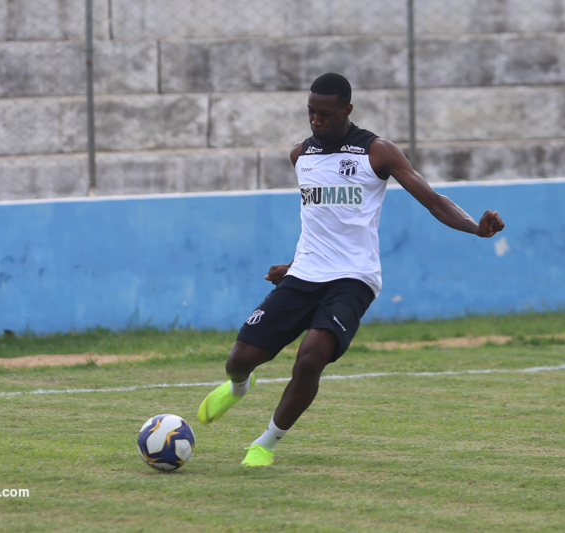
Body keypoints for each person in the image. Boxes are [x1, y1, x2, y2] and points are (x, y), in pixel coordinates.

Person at [198, 72, 505, 467]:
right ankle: (239, 388)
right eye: (310, 112)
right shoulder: (300, 155)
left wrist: (476, 229)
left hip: (353, 279)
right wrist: (292, 267)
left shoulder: (377, 152)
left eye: (325, 113)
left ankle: (265, 443)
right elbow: (323, 222)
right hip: (304, 275)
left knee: (310, 358)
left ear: (347, 110)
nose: (315, 121)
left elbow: (433, 200)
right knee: (239, 358)